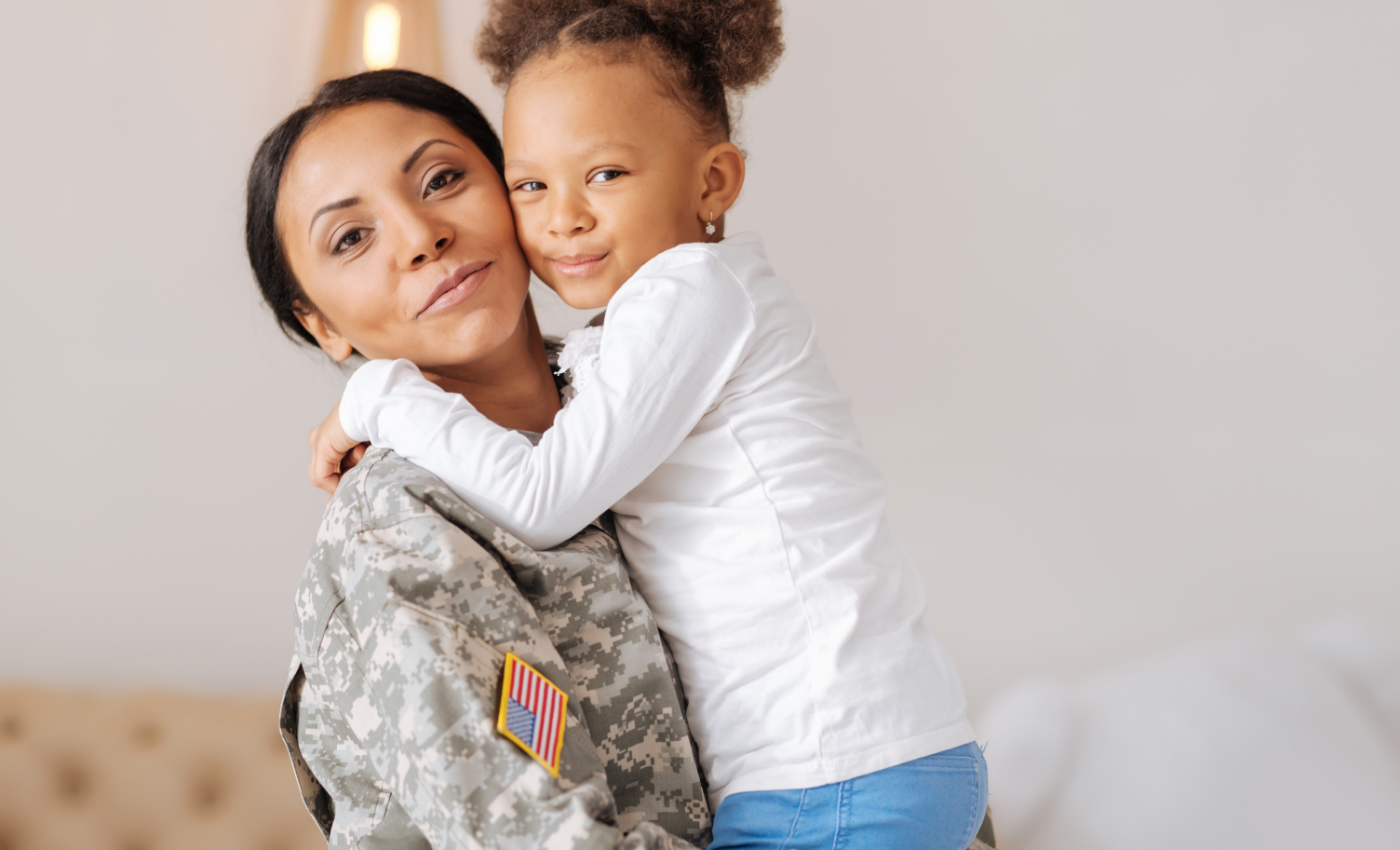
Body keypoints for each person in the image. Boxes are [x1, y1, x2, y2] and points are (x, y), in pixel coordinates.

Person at [305, 2, 987, 848]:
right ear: (316, 323)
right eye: (533, 184)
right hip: (833, 768)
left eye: (606, 175)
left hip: (835, 769)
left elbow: (543, 497)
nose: (565, 217)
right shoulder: (423, 497)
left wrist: (383, 394)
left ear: (713, 182)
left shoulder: (690, 295)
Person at [248, 70, 713, 848]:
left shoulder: (651, 396)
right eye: (351, 237)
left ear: (515, 187)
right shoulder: (402, 522)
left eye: (442, 179)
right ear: (320, 322)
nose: (421, 234)